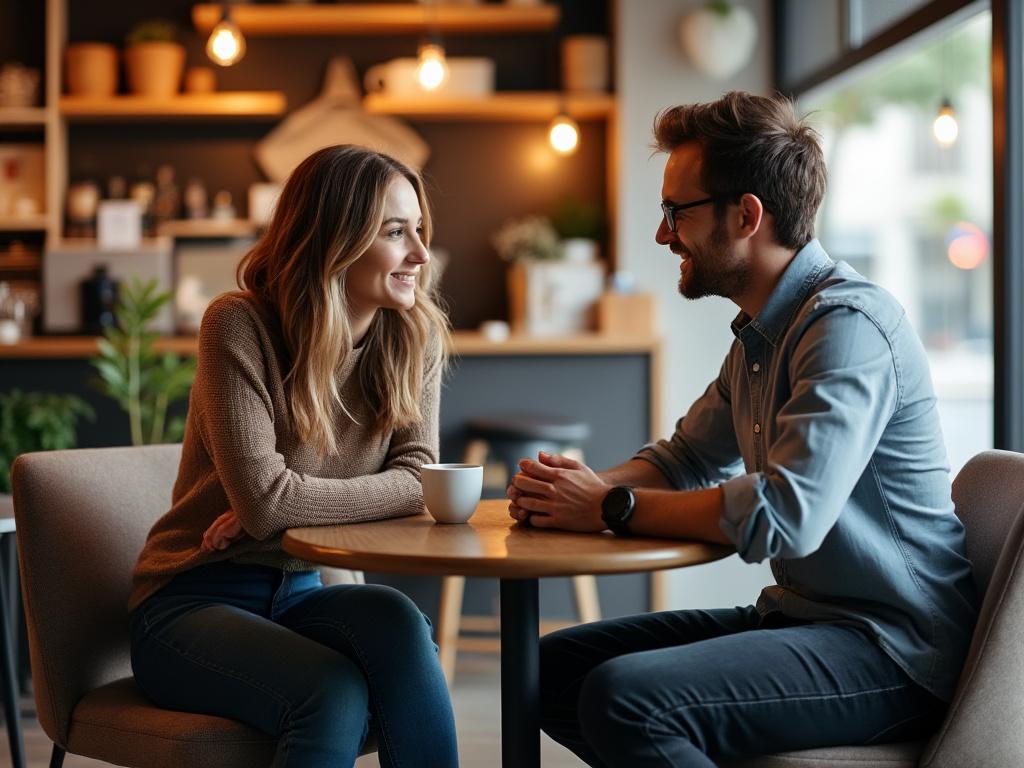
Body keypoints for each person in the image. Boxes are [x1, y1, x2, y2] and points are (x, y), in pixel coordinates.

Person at [506, 91, 979, 767]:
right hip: (802, 617)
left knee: (626, 698)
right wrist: (575, 490)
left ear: (747, 215)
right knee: (546, 670)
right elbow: (684, 458)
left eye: (678, 212)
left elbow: (788, 515)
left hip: (893, 649)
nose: (663, 234)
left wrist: (610, 505)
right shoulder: (762, 335)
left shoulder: (847, 328)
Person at [128, 145, 459, 768]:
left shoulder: (413, 338)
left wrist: (286, 509)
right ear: (334, 238)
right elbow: (266, 500)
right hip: (192, 600)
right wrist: (274, 507)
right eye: (395, 231)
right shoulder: (239, 325)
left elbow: (422, 480)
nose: (419, 253)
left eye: (419, 229)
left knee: (400, 624)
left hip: (301, 589)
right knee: (331, 691)